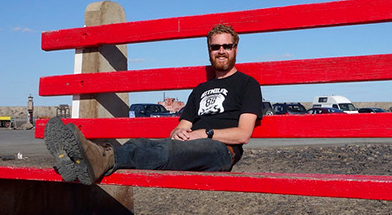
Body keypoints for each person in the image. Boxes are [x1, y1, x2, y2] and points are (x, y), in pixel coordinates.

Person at [44, 23, 263, 185]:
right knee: (141, 143)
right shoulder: (200, 90)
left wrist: (204, 134)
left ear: (235, 49)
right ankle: (84, 161)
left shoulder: (247, 85)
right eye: (216, 47)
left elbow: (243, 134)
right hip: (189, 146)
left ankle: (96, 157)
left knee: (166, 151)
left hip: (221, 151)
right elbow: (182, 126)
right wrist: (179, 133)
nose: (221, 51)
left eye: (226, 46)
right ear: (209, 51)